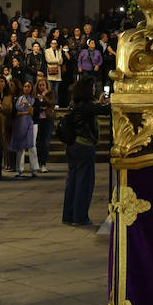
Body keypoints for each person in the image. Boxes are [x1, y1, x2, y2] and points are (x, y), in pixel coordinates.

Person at [58, 77, 110, 226]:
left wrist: (99, 103)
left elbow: (95, 109)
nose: (94, 89)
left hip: (72, 146)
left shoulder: (74, 104)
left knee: (72, 181)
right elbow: (105, 110)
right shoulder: (86, 106)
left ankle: (69, 216)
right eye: (93, 87)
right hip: (84, 145)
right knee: (84, 182)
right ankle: (80, 217)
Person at [11, 80, 38, 176]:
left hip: (32, 124)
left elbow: (33, 113)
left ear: (32, 88)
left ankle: (34, 169)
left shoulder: (35, 100)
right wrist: (26, 113)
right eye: (25, 86)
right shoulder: (18, 99)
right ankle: (19, 169)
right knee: (20, 146)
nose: (26, 88)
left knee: (32, 146)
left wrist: (27, 105)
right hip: (20, 124)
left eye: (28, 86)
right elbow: (15, 113)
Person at [34, 74, 55, 174]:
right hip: (38, 120)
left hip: (48, 119)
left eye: (43, 85)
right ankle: (38, 163)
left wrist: (44, 97)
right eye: (40, 85)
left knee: (46, 142)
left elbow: (51, 103)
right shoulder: (35, 95)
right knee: (38, 142)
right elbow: (36, 106)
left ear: (46, 86)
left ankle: (43, 164)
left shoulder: (50, 94)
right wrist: (42, 106)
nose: (41, 87)